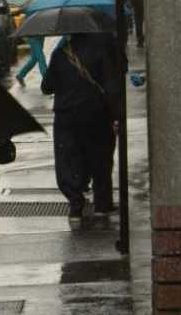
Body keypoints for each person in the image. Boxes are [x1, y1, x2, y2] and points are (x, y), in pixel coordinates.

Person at [41, 33, 122, 224]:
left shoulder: (61, 54)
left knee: (69, 159)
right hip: (97, 115)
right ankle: (102, 204)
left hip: (67, 117)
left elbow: (46, 87)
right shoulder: (101, 52)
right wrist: (117, 115)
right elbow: (112, 86)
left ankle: (76, 205)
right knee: (100, 158)